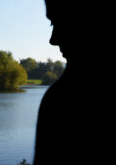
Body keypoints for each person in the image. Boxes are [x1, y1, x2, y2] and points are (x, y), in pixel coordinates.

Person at [33, 1, 112, 165]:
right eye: (51, 24)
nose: (52, 40)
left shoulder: (60, 100)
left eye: (59, 22)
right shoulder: (58, 97)